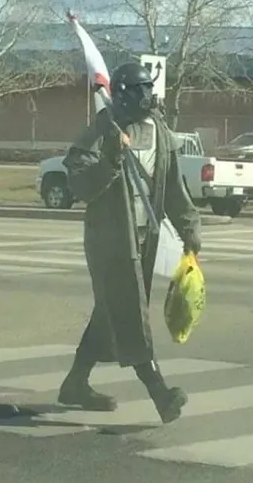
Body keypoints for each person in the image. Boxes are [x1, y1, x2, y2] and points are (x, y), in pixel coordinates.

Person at [57, 62, 202, 424]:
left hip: (143, 240)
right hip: (110, 242)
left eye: (148, 89)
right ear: (121, 94)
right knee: (130, 315)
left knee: (110, 313)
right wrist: (111, 159)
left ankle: (75, 384)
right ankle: (160, 394)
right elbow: (81, 186)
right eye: (139, 90)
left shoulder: (160, 131)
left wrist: (189, 228)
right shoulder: (103, 130)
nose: (147, 97)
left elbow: (172, 187)